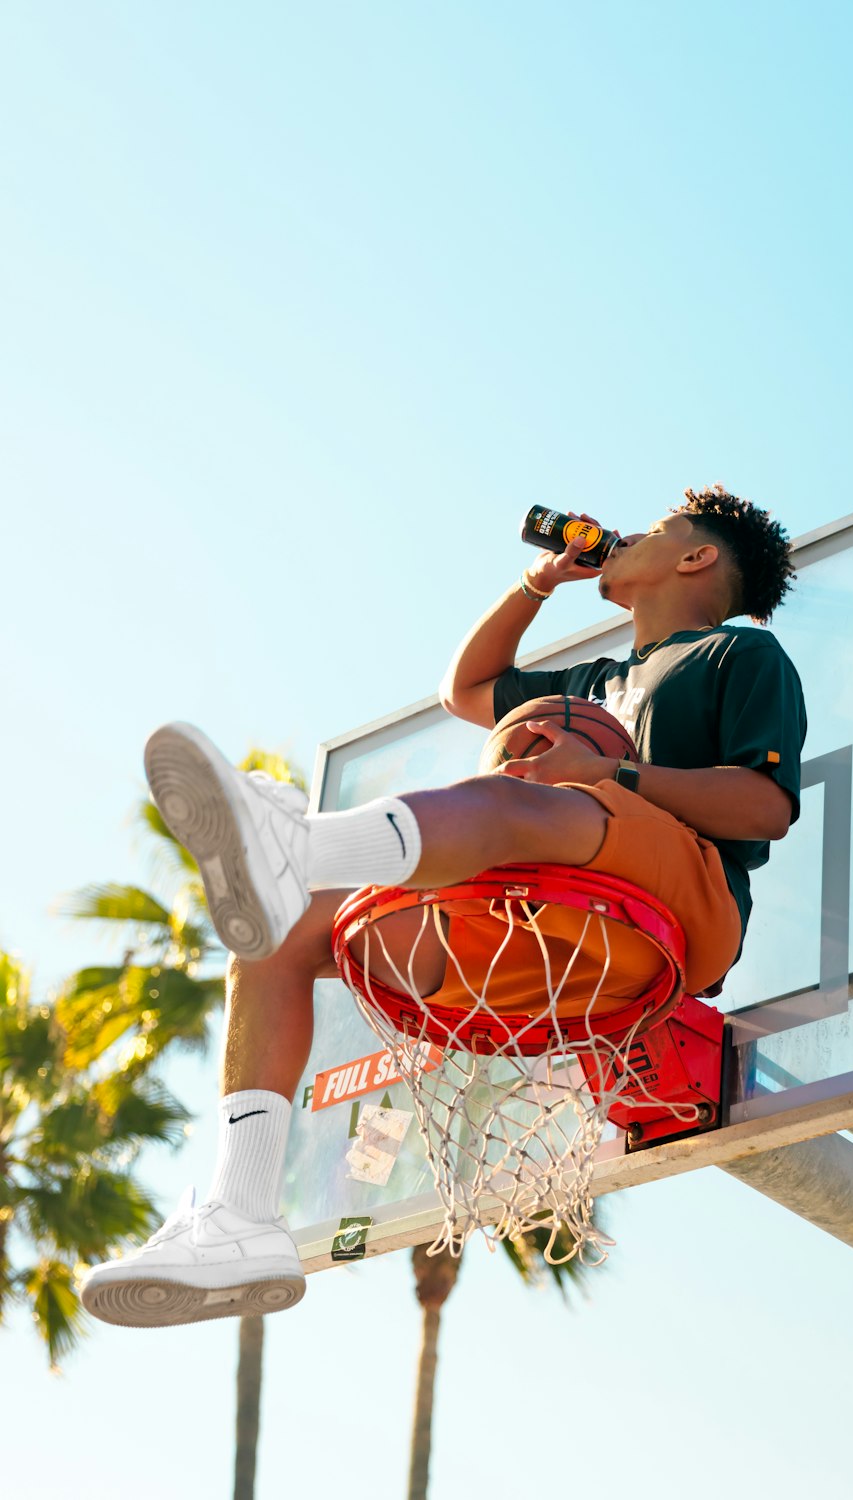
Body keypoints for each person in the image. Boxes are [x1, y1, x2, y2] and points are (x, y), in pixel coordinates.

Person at [81, 484, 806, 1328]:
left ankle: (301, 844)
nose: (626, 538)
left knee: (514, 797)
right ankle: (240, 1216)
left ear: (696, 557)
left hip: (675, 910)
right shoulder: (595, 680)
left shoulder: (736, 656)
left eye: (655, 530)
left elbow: (766, 807)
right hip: (541, 936)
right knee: (278, 938)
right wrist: (538, 583)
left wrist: (610, 774)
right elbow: (466, 690)